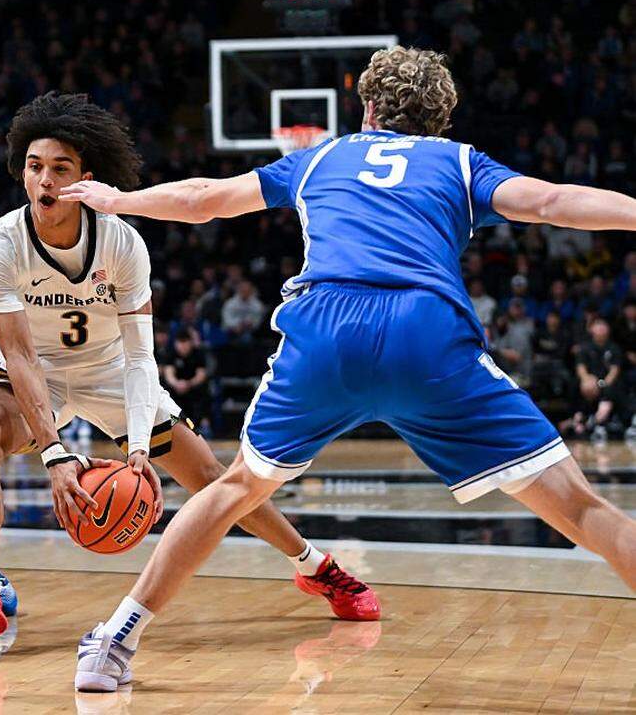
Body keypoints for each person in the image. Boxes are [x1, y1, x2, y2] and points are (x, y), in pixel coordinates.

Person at [60, 47, 636, 691]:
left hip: (326, 330)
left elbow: (206, 200)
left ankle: (115, 641)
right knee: (582, 510)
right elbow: (553, 202)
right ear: (441, 120)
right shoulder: (459, 160)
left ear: (365, 108)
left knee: (235, 489)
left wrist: (119, 199)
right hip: (427, 334)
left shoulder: (324, 156)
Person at [0, 93, 377, 641]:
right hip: (38, 374)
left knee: (213, 478)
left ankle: (315, 568)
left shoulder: (121, 242)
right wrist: (55, 454)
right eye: (35, 167)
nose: (45, 181)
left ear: (86, 178)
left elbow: (139, 356)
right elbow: (19, 358)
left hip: (113, 369)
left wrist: (136, 447)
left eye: (60, 169)